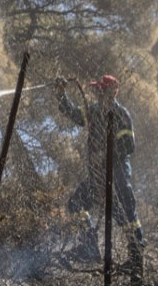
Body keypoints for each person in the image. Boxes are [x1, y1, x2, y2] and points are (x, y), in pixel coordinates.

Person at [55, 75, 144, 278]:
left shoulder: (121, 114)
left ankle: (136, 259)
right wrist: (61, 95)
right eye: (97, 90)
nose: (98, 93)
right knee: (76, 204)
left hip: (118, 172)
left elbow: (128, 145)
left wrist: (104, 155)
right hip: (98, 175)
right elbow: (75, 114)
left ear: (112, 91)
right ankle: (89, 247)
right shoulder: (94, 111)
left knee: (126, 212)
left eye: (101, 90)